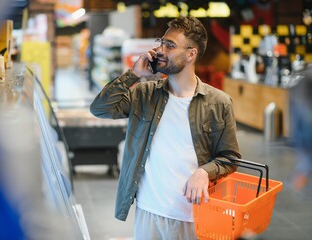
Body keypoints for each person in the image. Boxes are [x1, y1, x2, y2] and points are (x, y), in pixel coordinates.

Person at [90, 16, 241, 239]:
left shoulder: (218, 103)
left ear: (191, 54)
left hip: (193, 217)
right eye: (161, 42)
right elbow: (100, 109)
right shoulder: (144, 94)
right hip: (148, 212)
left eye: (170, 45)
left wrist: (204, 172)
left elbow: (229, 158)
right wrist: (133, 75)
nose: (160, 49)